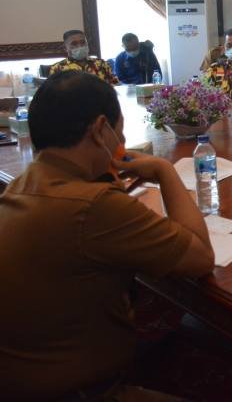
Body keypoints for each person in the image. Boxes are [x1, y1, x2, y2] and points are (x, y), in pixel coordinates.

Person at [0, 71, 214, 400]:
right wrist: (164, 170)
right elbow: (200, 257)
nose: (121, 143)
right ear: (101, 130)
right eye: (120, 132)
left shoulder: (21, 184)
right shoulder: (94, 206)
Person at [48, 29, 119, 85]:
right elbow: (54, 93)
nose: (80, 46)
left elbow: (114, 85)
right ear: (65, 48)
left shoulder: (101, 63)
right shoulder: (57, 69)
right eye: (74, 44)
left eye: (83, 42)